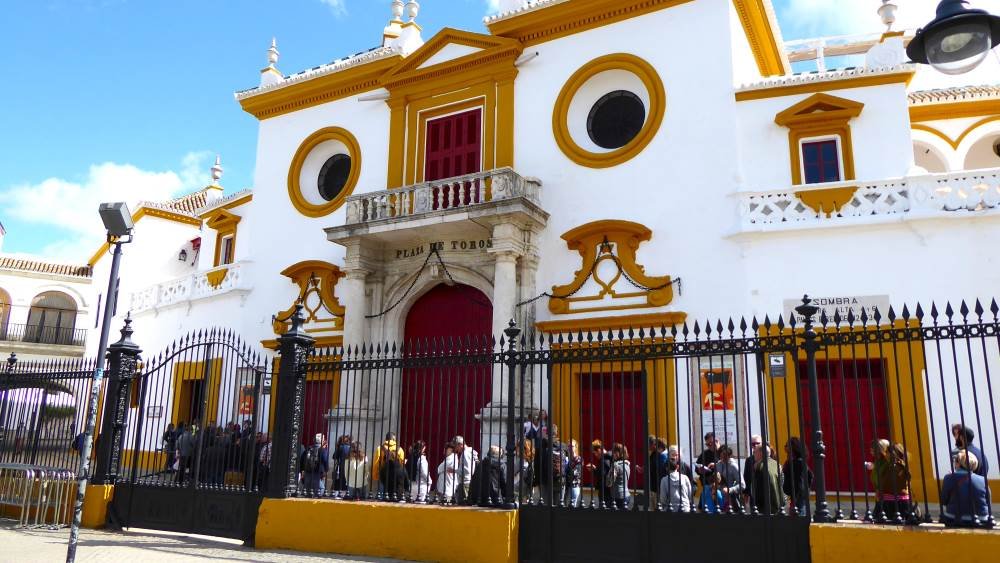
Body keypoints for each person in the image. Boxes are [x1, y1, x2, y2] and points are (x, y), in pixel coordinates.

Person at [866, 440, 913, 522]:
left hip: (894, 503)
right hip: (887, 500)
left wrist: (880, 491)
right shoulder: (890, 464)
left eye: (887, 452)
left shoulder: (895, 467)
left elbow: (893, 484)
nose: (885, 454)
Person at [941, 450, 990, 526]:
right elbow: (988, 501)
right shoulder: (983, 480)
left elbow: (944, 501)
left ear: (958, 463)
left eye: (955, 461)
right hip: (981, 519)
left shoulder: (949, 478)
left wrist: (950, 478)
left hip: (954, 518)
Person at [782, 437, 812, 516]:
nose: (785, 448)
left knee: (797, 523)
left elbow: (799, 483)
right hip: (798, 499)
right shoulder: (800, 462)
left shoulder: (796, 463)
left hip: (797, 500)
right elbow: (810, 476)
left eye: (787, 445)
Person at [751, 443, 783, 515]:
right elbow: (781, 484)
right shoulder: (777, 464)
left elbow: (757, 490)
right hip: (779, 505)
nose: (754, 455)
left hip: (765, 507)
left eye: (754, 452)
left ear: (761, 453)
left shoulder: (759, 466)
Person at [371, 432, 406, 497]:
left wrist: (375, 475)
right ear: (393, 439)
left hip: (383, 474)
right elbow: (402, 464)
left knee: (381, 495)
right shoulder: (400, 449)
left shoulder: (380, 448)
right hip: (395, 476)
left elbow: (376, 463)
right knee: (394, 495)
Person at [539, 424, 566, 506]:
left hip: (545, 480)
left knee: (546, 506)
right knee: (559, 506)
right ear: (556, 432)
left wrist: (537, 481)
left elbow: (537, 464)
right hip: (560, 479)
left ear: (546, 432)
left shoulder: (541, 446)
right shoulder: (563, 446)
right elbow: (567, 463)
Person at [585, 440, 614, 508]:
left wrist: (594, 470)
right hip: (610, 491)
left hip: (605, 491)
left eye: (594, 453)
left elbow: (603, 476)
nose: (595, 455)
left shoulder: (604, 460)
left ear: (599, 450)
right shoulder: (610, 457)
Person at [715, 445, 743, 512]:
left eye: (724, 455)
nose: (722, 458)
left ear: (729, 455)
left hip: (729, 500)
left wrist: (730, 490)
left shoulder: (733, 466)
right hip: (718, 499)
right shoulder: (718, 465)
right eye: (720, 455)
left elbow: (742, 485)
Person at [695, 432, 720, 510]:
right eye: (707, 444)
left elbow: (728, 465)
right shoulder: (704, 454)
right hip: (706, 485)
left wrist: (716, 465)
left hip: (720, 486)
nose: (709, 446)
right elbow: (697, 467)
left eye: (710, 443)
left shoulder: (723, 452)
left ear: (716, 440)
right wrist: (700, 470)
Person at [451, 435, 479, 504]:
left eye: (456, 446)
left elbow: (467, 470)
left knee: (463, 504)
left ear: (460, 444)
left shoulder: (465, 453)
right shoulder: (471, 451)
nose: (456, 449)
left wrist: (455, 471)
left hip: (465, 482)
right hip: (470, 481)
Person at [742, 434, 762, 509]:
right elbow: (746, 477)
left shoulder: (768, 457)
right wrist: (746, 493)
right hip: (753, 493)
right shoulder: (749, 460)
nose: (755, 445)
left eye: (758, 443)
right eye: (753, 444)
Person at [611, 443, 632, 510]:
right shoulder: (627, 464)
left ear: (617, 453)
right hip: (627, 494)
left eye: (614, 452)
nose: (612, 454)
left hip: (618, 496)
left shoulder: (616, 465)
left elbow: (609, 482)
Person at [566, 439, 583, 508]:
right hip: (566, 486)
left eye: (572, 446)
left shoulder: (578, 459)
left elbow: (575, 473)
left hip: (574, 486)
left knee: (572, 506)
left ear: (576, 447)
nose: (570, 448)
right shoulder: (566, 458)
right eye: (568, 446)